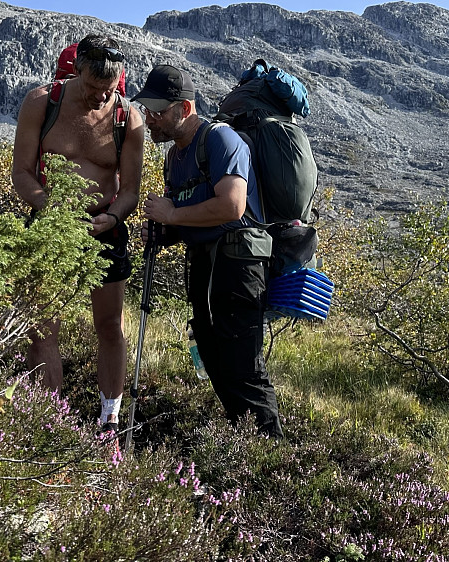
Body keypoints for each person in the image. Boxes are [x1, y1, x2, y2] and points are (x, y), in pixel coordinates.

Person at [134, 64, 284, 439]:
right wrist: (163, 228)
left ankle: (274, 454)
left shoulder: (220, 140)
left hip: (238, 264)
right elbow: (187, 217)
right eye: (146, 111)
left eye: (157, 111)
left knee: (243, 367)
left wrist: (172, 213)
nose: (149, 119)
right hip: (204, 265)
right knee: (214, 361)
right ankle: (245, 444)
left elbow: (231, 206)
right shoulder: (174, 158)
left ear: (184, 109)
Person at [11, 34, 144, 432]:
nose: (99, 98)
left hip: (104, 226)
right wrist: (53, 209)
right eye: (91, 88)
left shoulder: (128, 118)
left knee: (110, 326)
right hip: (51, 223)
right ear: (76, 71)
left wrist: (115, 217)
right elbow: (21, 173)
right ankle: (47, 422)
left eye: (108, 91)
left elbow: (131, 190)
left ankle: (109, 425)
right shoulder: (42, 102)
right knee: (41, 327)